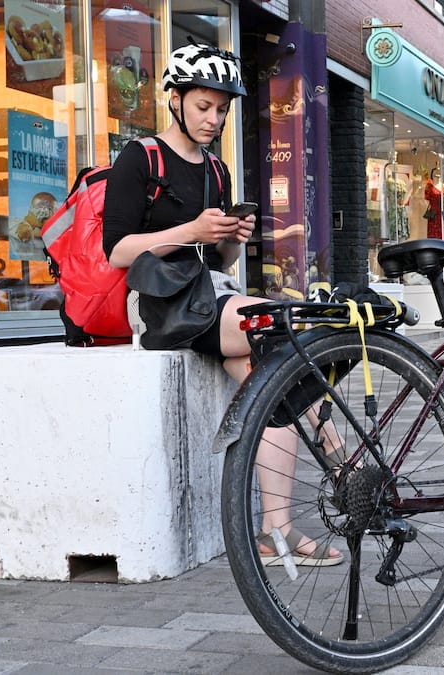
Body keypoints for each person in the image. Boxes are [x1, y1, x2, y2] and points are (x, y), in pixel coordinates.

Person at [102, 41, 342, 567]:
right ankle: (338, 454)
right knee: (279, 330)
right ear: (175, 99)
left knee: (275, 380)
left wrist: (234, 235)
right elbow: (117, 251)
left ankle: (274, 530)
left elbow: (222, 261)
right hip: (159, 303)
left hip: (210, 298)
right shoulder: (140, 158)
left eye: (223, 109)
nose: (214, 119)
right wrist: (190, 228)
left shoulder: (215, 171)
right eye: (204, 106)